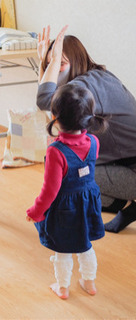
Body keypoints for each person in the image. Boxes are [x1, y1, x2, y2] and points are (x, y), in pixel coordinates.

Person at [36, 25, 136, 233]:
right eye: (51, 66)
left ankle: (124, 202)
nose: (54, 71)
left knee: (61, 166)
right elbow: (54, 108)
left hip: (130, 166)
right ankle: (123, 205)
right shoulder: (94, 78)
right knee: (60, 157)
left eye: (60, 64)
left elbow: (45, 100)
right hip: (122, 161)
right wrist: (44, 64)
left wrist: (51, 61)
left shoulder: (86, 86)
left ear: (76, 60)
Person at [26, 83, 108, 299]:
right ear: (89, 117)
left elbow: (50, 191)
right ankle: (89, 283)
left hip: (65, 208)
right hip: (88, 202)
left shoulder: (56, 151)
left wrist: (36, 211)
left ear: (54, 116)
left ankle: (62, 287)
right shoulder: (94, 142)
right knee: (85, 244)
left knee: (62, 250)